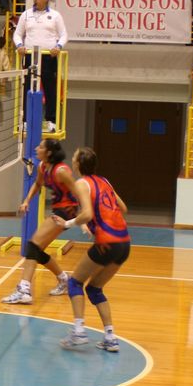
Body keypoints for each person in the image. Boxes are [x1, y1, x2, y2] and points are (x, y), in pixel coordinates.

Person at [55, 147, 128, 353]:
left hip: (107, 242)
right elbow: (122, 208)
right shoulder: (105, 181)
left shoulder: (82, 183)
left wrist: (68, 223)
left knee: (74, 282)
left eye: (74, 157)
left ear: (78, 164)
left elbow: (86, 213)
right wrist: (96, 222)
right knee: (94, 289)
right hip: (124, 243)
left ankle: (79, 331)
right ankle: (110, 337)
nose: (72, 159)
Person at [2, 139, 77, 305]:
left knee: (32, 246)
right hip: (58, 209)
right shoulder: (43, 166)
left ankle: (24, 290)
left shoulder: (61, 171)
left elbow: (78, 192)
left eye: (41, 147)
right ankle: (65, 280)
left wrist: (83, 219)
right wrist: (26, 201)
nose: (36, 148)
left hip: (66, 211)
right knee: (37, 251)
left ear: (49, 152)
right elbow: (37, 184)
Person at [13, 0, 68, 132]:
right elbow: (17, 34)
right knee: (27, 88)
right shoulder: (26, 15)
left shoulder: (55, 15)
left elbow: (64, 35)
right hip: (30, 55)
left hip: (48, 56)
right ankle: (25, 120)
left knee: (50, 89)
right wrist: (19, 45)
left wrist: (58, 46)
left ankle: (51, 121)